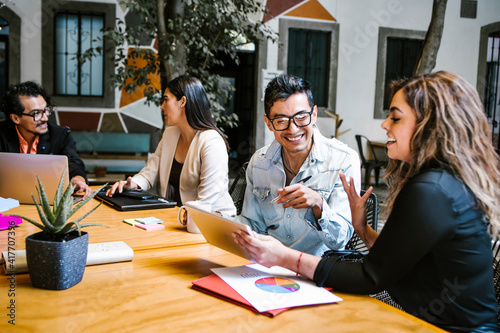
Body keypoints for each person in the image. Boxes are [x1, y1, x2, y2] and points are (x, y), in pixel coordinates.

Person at [234, 71, 500, 332]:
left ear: (427, 125)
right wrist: (362, 229)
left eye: (395, 117)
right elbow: (392, 260)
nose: (384, 125)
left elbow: (370, 276)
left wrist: (284, 257)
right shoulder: (440, 183)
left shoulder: (431, 190)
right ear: (270, 123)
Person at [234, 74, 361, 256]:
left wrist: (318, 205)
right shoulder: (259, 163)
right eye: (281, 121)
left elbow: (340, 240)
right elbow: (253, 225)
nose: (293, 129)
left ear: (314, 114)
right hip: (267, 266)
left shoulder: (343, 161)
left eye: (301, 117)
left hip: (317, 271)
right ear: (269, 123)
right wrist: (223, 222)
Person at [107, 75, 236, 216]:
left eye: (166, 100)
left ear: (182, 102)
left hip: (211, 222)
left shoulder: (211, 142)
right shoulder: (170, 134)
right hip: (175, 218)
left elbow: (205, 202)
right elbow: (150, 173)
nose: (162, 107)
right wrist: (130, 185)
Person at [0, 81, 92, 198]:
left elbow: (74, 163)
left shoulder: (60, 134)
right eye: (36, 113)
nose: (45, 118)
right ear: (16, 118)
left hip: (48, 202)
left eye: (46, 110)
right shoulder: (1, 134)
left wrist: (78, 179)